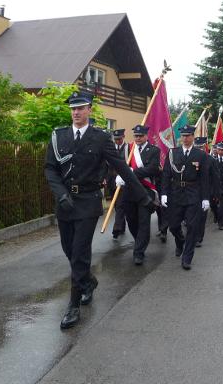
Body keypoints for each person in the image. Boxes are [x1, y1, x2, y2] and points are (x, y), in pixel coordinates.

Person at [45, 90, 154, 329]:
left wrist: (143, 196)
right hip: (65, 202)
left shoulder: (101, 138)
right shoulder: (59, 136)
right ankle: (88, 281)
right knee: (68, 249)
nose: (76, 112)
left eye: (80, 108)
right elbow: (50, 169)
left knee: (79, 252)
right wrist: (61, 194)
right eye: (73, 108)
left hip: (88, 201)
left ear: (89, 110)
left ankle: (73, 305)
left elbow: (122, 168)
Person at [161, 125, 210, 270]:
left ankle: (187, 258)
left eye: (188, 135)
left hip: (193, 193)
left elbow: (204, 178)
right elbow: (166, 175)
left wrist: (205, 198)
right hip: (176, 193)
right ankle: (180, 241)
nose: (185, 138)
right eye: (183, 135)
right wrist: (164, 193)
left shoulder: (200, 155)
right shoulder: (173, 153)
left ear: (193, 137)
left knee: (192, 227)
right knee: (173, 226)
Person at [117, 125, 161, 265]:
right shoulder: (128, 149)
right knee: (131, 220)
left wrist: (131, 173)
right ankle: (139, 241)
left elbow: (152, 169)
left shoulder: (154, 150)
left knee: (143, 221)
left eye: (140, 136)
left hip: (145, 190)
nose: (138, 138)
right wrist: (119, 175)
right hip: (129, 191)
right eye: (136, 136)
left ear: (146, 136)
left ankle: (139, 252)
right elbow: (120, 164)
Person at [194, 137, 219, 247]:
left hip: (205, 192)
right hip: (190, 192)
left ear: (205, 147)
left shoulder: (210, 160)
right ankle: (190, 235)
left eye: (201, 147)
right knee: (189, 217)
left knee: (201, 216)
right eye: (197, 147)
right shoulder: (190, 158)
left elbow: (215, 178)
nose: (199, 149)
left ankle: (198, 238)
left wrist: (215, 193)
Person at [106, 129, 128, 239]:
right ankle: (122, 226)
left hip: (123, 180)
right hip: (111, 180)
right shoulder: (111, 148)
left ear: (123, 137)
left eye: (119, 139)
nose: (117, 141)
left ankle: (117, 227)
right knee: (115, 204)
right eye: (115, 139)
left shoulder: (128, 148)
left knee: (120, 204)